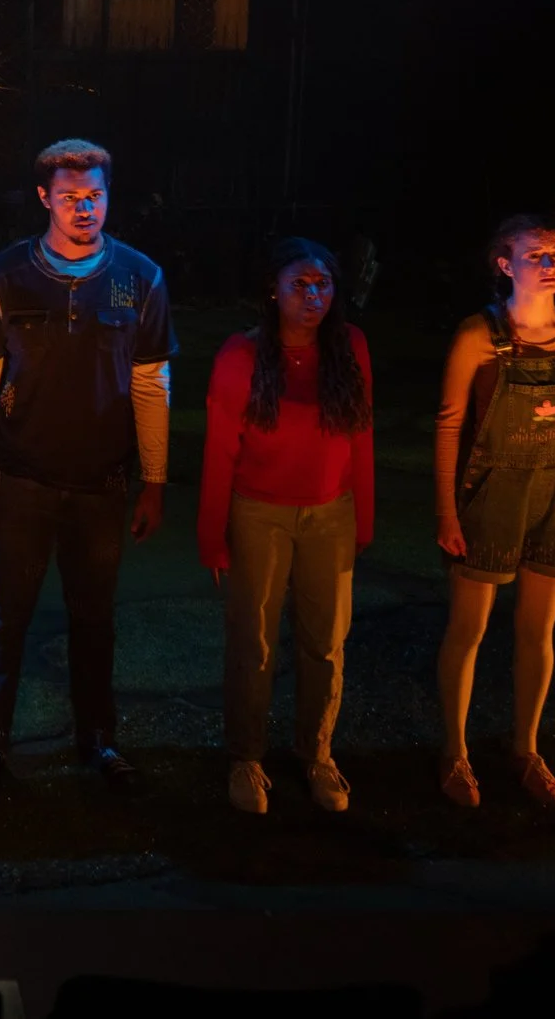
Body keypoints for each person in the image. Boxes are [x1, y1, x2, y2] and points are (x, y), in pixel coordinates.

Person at [0, 139, 175, 791]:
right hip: (22, 477)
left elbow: (151, 382)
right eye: (70, 196)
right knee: (7, 616)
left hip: (102, 482)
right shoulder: (3, 276)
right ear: (43, 198)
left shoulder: (141, 277)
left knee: (94, 618)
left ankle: (99, 739)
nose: (84, 208)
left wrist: (154, 480)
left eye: (95, 195)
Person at [431, 215, 555, 810]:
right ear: (505, 265)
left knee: (538, 632)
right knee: (469, 630)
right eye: (536, 254)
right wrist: (447, 513)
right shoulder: (478, 336)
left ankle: (526, 750)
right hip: (492, 496)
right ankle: (454, 753)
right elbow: (449, 425)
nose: (551, 263)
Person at [198, 238, 376, 816]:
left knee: (326, 642)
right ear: (273, 291)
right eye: (299, 284)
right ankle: (246, 757)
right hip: (259, 514)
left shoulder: (349, 347)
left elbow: (361, 438)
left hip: (332, 513)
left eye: (323, 285)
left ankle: (316, 752)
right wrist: (213, 538)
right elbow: (220, 450)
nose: (313, 296)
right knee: (253, 642)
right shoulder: (241, 356)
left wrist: (364, 519)